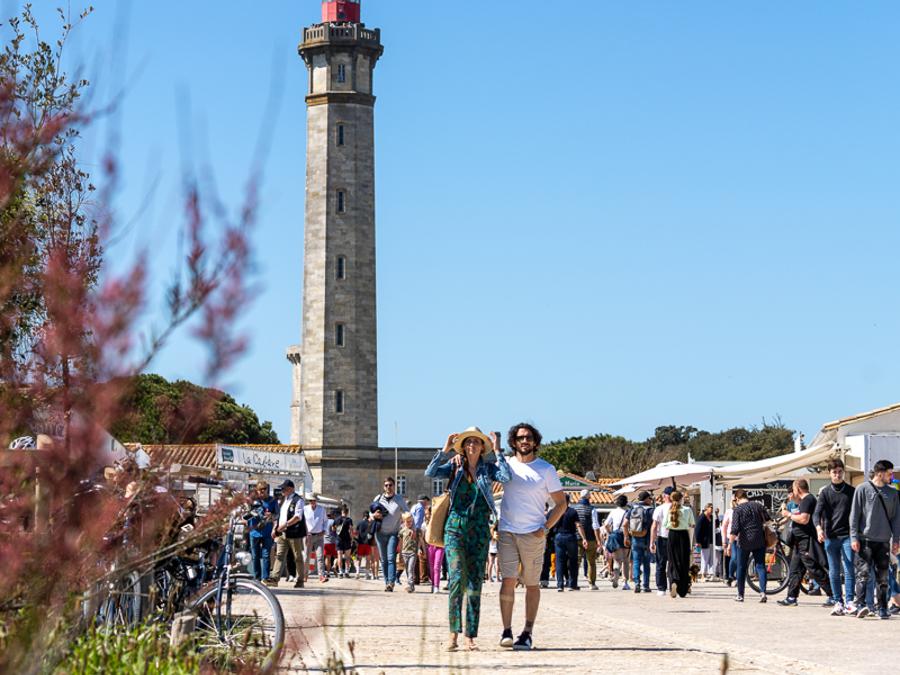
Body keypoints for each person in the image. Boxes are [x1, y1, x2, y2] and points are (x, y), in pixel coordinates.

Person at [425, 427, 510, 651]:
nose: (472, 445)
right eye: (468, 441)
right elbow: (431, 472)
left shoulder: (488, 469)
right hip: (454, 529)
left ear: (482, 447)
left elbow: (507, 476)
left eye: (476, 442)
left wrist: (499, 450)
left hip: (480, 531)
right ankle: (453, 633)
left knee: (474, 584)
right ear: (463, 446)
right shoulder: (454, 466)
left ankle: (470, 636)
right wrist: (444, 450)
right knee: (456, 580)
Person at [497, 423, 566, 652]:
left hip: (533, 534)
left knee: (532, 584)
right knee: (507, 580)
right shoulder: (506, 465)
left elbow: (561, 503)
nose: (524, 441)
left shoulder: (546, 469)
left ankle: (527, 632)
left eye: (528, 438)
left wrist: (545, 528)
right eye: (519, 438)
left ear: (535, 442)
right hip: (507, 530)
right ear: (513, 442)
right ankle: (506, 630)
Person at [848, 459, 900, 619]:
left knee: (883, 577)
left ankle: (882, 608)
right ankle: (861, 605)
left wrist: (896, 540)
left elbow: (896, 518)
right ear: (880, 473)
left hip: (884, 541)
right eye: (889, 473)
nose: (891, 476)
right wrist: (853, 537)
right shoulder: (862, 489)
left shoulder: (893, 493)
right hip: (864, 540)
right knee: (862, 574)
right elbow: (854, 515)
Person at [777, 479, 832, 607]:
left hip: (806, 541)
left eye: (793, 489)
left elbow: (804, 519)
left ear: (798, 489)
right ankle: (791, 597)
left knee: (814, 569)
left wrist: (788, 514)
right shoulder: (804, 501)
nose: (793, 492)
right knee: (795, 570)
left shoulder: (808, 500)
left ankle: (833, 595)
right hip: (799, 541)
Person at [813, 458, 856, 615]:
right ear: (829, 474)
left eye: (840, 472)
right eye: (834, 472)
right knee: (834, 570)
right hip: (830, 536)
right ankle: (838, 602)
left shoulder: (852, 491)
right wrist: (819, 529)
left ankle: (850, 602)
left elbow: (858, 513)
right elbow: (816, 513)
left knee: (849, 568)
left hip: (848, 535)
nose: (837, 475)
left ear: (843, 472)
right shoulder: (825, 492)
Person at [727, 489, 770, 603]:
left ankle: (740, 595)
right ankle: (762, 593)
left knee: (741, 567)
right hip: (759, 539)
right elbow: (768, 519)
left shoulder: (737, 510)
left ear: (736, 498)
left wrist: (729, 544)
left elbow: (735, 529)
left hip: (744, 541)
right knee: (760, 566)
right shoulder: (757, 505)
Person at [370, 476, 409, 591]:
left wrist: (407, 526)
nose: (388, 487)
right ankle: (387, 581)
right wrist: (373, 516)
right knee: (383, 559)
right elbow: (370, 512)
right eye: (386, 485)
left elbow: (407, 512)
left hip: (393, 532)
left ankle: (391, 582)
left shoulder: (399, 499)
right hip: (380, 532)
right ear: (384, 487)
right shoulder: (378, 498)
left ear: (394, 486)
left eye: (390, 485)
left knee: (391, 557)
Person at [269, 479, 306, 588]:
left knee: (297, 557)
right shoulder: (284, 500)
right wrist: (275, 528)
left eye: (283, 489)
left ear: (290, 489)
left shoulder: (298, 500)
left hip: (294, 532)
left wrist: (284, 525)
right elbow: (279, 516)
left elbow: (297, 517)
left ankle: (300, 580)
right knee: (279, 555)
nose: (282, 491)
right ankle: (274, 579)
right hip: (282, 533)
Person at [663, 491, 695, 598]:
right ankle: (682, 589)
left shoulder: (669, 510)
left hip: (672, 536)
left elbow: (665, 525)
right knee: (684, 561)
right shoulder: (687, 510)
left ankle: (673, 581)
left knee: (672, 561)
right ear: (681, 499)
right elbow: (692, 524)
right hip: (683, 536)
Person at [245, 481, 278, 582]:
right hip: (254, 531)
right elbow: (246, 515)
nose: (262, 493)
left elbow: (277, 515)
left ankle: (265, 577)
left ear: (267, 490)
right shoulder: (251, 500)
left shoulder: (272, 500)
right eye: (260, 491)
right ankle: (257, 577)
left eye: (264, 491)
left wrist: (271, 516)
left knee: (266, 555)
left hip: (267, 531)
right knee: (255, 555)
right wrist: (252, 513)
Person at [554, 494, 587, 592]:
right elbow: (578, 525)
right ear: (569, 501)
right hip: (571, 537)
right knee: (573, 561)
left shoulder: (556, 511)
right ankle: (572, 585)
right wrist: (584, 538)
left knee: (559, 561)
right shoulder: (573, 511)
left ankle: (560, 585)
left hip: (559, 537)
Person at [623, 491, 654, 593]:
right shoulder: (651, 510)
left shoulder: (632, 509)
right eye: (650, 498)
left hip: (635, 538)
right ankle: (646, 585)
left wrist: (626, 537)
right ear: (646, 499)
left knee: (636, 562)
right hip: (647, 539)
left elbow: (624, 524)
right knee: (646, 563)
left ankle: (637, 583)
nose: (651, 500)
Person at [572, 489, 599, 590]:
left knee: (576, 561)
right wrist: (599, 540)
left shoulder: (574, 509)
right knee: (591, 562)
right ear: (589, 497)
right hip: (590, 538)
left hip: (577, 538)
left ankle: (572, 582)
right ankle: (591, 583)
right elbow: (595, 525)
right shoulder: (592, 509)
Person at [650, 487, 674, 596]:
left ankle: (661, 588)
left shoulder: (659, 509)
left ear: (665, 496)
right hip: (675, 538)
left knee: (661, 564)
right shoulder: (680, 508)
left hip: (662, 538)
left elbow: (654, 526)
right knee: (674, 563)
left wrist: (652, 542)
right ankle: (673, 584)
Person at [604, 495, 632, 590]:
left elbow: (606, 524)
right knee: (626, 560)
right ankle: (625, 582)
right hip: (626, 535)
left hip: (615, 535)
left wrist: (610, 533)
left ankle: (615, 575)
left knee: (617, 560)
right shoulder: (629, 512)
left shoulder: (613, 511)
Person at [304, 493, 329, 584]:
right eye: (311, 500)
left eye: (314, 500)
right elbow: (303, 522)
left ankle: (321, 576)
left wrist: (324, 530)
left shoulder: (321, 509)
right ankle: (305, 575)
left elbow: (325, 521)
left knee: (320, 556)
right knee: (306, 557)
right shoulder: (305, 509)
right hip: (308, 535)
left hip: (319, 535)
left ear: (316, 501)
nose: (312, 502)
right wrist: (306, 533)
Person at [425, 504, 446, 594]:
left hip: (440, 545)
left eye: (427, 513)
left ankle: (436, 586)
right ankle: (433, 585)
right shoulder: (425, 523)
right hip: (430, 546)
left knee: (437, 566)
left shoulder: (439, 522)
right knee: (431, 567)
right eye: (426, 514)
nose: (426, 515)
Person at [411, 495, 430, 584]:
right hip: (416, 531)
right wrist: (418, 533)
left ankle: (416, 577)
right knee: (419, 554)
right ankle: (417, 578)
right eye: (427, 501)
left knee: (415, 555)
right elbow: (418, 522)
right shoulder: (420, 508)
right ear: (424, 501)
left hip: (411, 530)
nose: (427, 504)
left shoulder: (414, 506)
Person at [398, 512, 419, 593]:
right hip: (404, 552)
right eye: (407, 521)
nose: (409, 523)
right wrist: (399, 552)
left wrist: (420, 549)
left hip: (412, 552)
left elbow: (418, 540)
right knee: (407, 569)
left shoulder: (415, 530)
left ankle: (410, 585)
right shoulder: (402, 531)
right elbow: (400, 542)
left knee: (410, 569)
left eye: (411, 521)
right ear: (404, 521)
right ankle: (411, 586)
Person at [694, 503, 715, 581]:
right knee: (704, 557)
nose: (712, 509)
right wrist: (698, 541)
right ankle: (703, 574)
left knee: (711, 557)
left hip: (711, 540)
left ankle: (710, 573)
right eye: (711, 508)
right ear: (706, 508)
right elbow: (697, 530)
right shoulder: (702, 517)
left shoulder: (712, 517)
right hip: (704, 541)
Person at [333, 505, 354, 578]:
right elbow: (351, 530)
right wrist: (352, 539)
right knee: (347, 557)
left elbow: (333, 529)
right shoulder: (349, 520)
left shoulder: (336, 519)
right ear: (347, 512)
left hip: (338, 539)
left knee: (339, 556)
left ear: (341, 512)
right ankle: (347, 572)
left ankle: (340, 572)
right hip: (347, 539)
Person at [356, 512, 376, 579]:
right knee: (368, 560)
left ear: (363, 516)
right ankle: (366, 575)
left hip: (360, 543)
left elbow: (356, 533)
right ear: (368, 517)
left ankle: (357, 573)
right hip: (368, 543)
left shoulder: (359, 523)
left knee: (359, 559)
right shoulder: (370, 523)